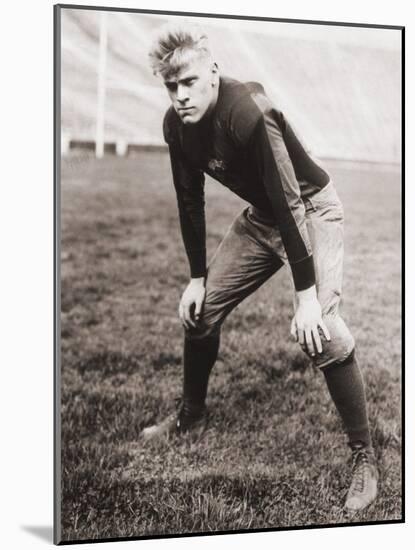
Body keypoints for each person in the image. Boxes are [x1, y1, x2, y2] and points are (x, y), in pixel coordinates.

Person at [143, 21, 378, 513]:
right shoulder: (176, 126)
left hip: (311, 209)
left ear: (213, 71)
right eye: (171, 86)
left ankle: (365, 455)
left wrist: (307, 296)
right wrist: (195, 277)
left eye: (188, 82)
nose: (180, 95)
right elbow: (190, 201)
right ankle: (191, 414)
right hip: (263, 217)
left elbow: (292, 200)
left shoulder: (248, 110)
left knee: (323, 330)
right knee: (200, 312)